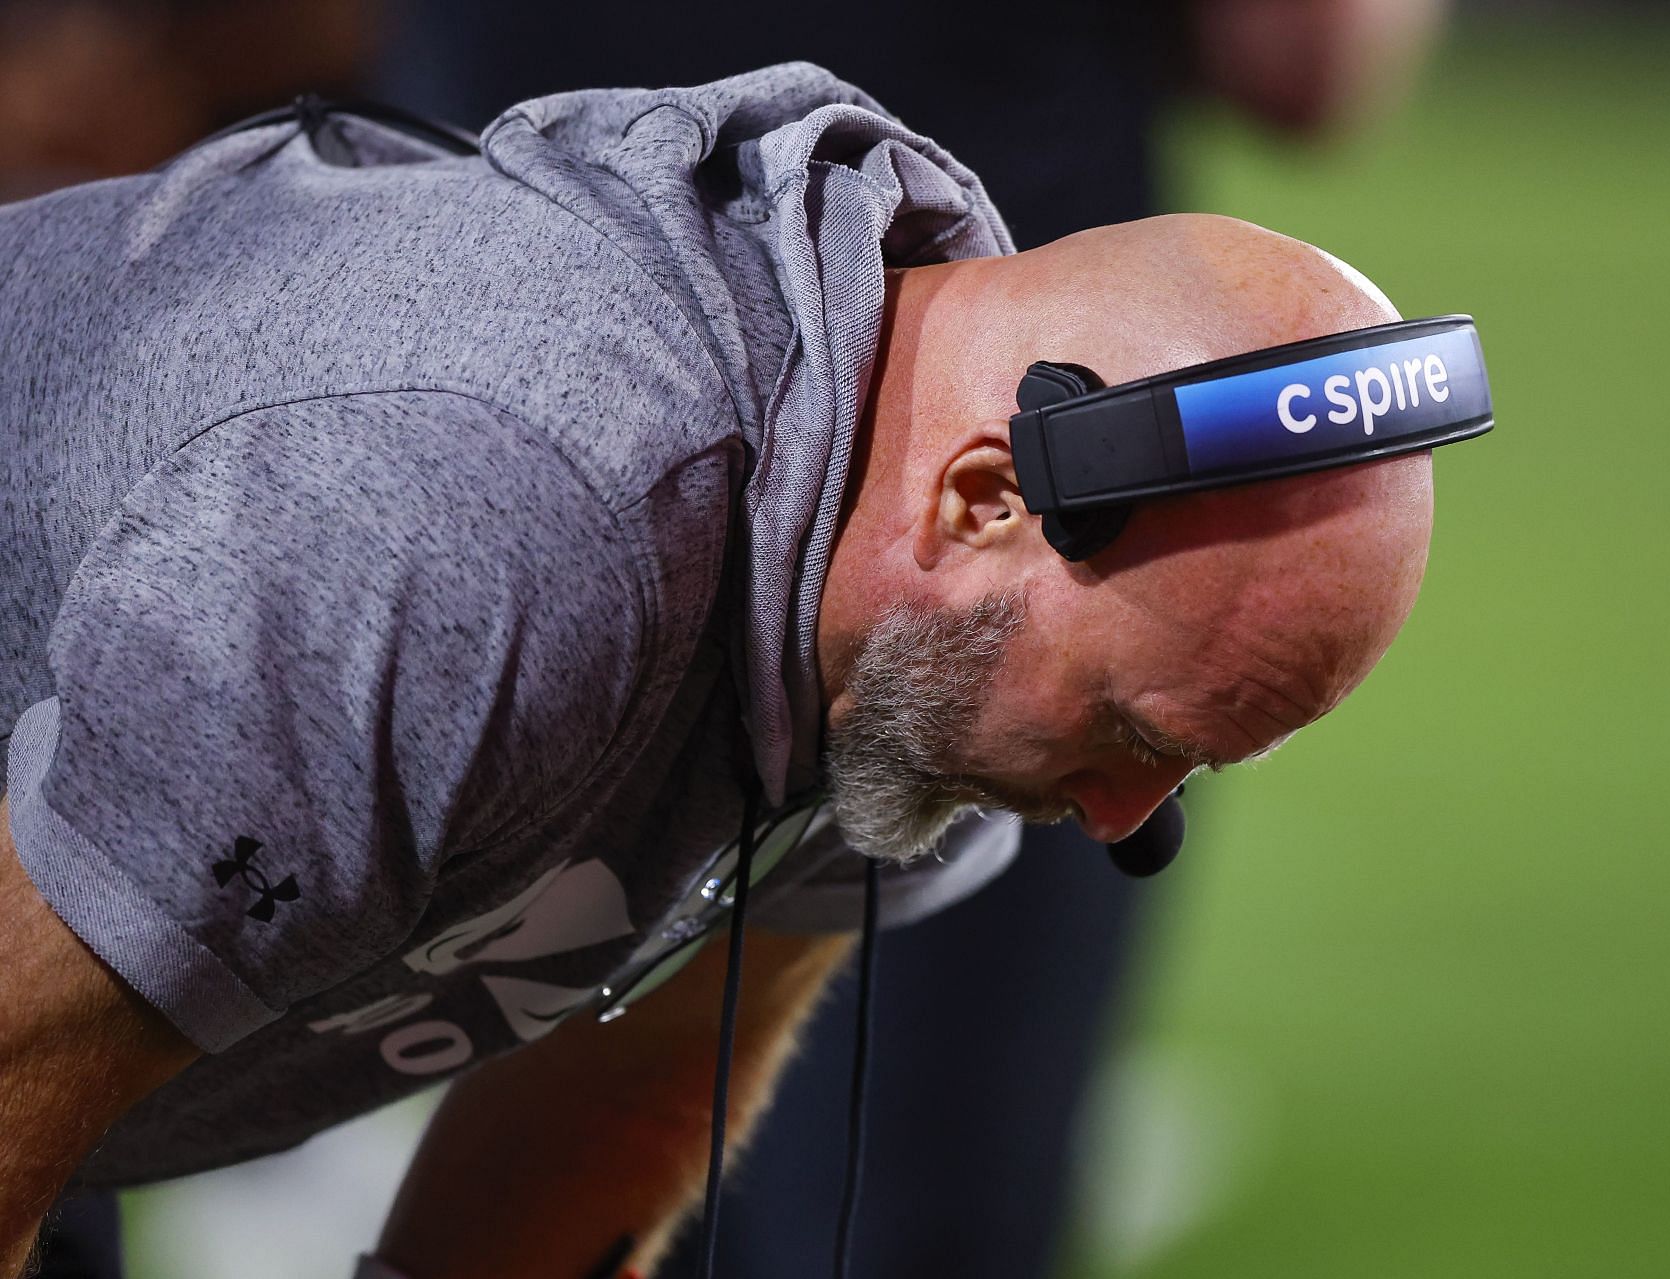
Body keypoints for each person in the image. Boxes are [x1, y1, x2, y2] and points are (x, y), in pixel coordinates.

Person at [0, 63, 1443, 1279]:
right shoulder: (497, 508)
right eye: (1137, 730)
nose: (1127, 818)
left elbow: (622, 1095)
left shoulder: (898, 650)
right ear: (986, 500)